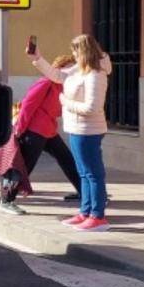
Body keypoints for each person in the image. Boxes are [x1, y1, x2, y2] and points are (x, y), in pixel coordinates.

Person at [29, 34, 114, 231]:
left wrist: (65, 102)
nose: (73, 55)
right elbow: (57, 75)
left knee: (93, 174)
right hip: (77, 128)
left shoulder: (96, 74)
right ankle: (85, 212)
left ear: (85, 51)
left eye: (76, 51)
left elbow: (92, 107)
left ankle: (98, 216)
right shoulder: (80, 69)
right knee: (83, 173)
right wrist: (37, 57)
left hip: (88, 130)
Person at [0, 54, 83, 214]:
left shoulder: (64, 86)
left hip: (48, 130)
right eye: (70, 68)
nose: (73, 72)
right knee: (22, 166)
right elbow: (28, 105)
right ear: (61, 68)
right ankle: (6, 200)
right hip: (33, 130)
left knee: (67, 158)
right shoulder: (46, 82)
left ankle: (84, 193)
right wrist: (19, 129)